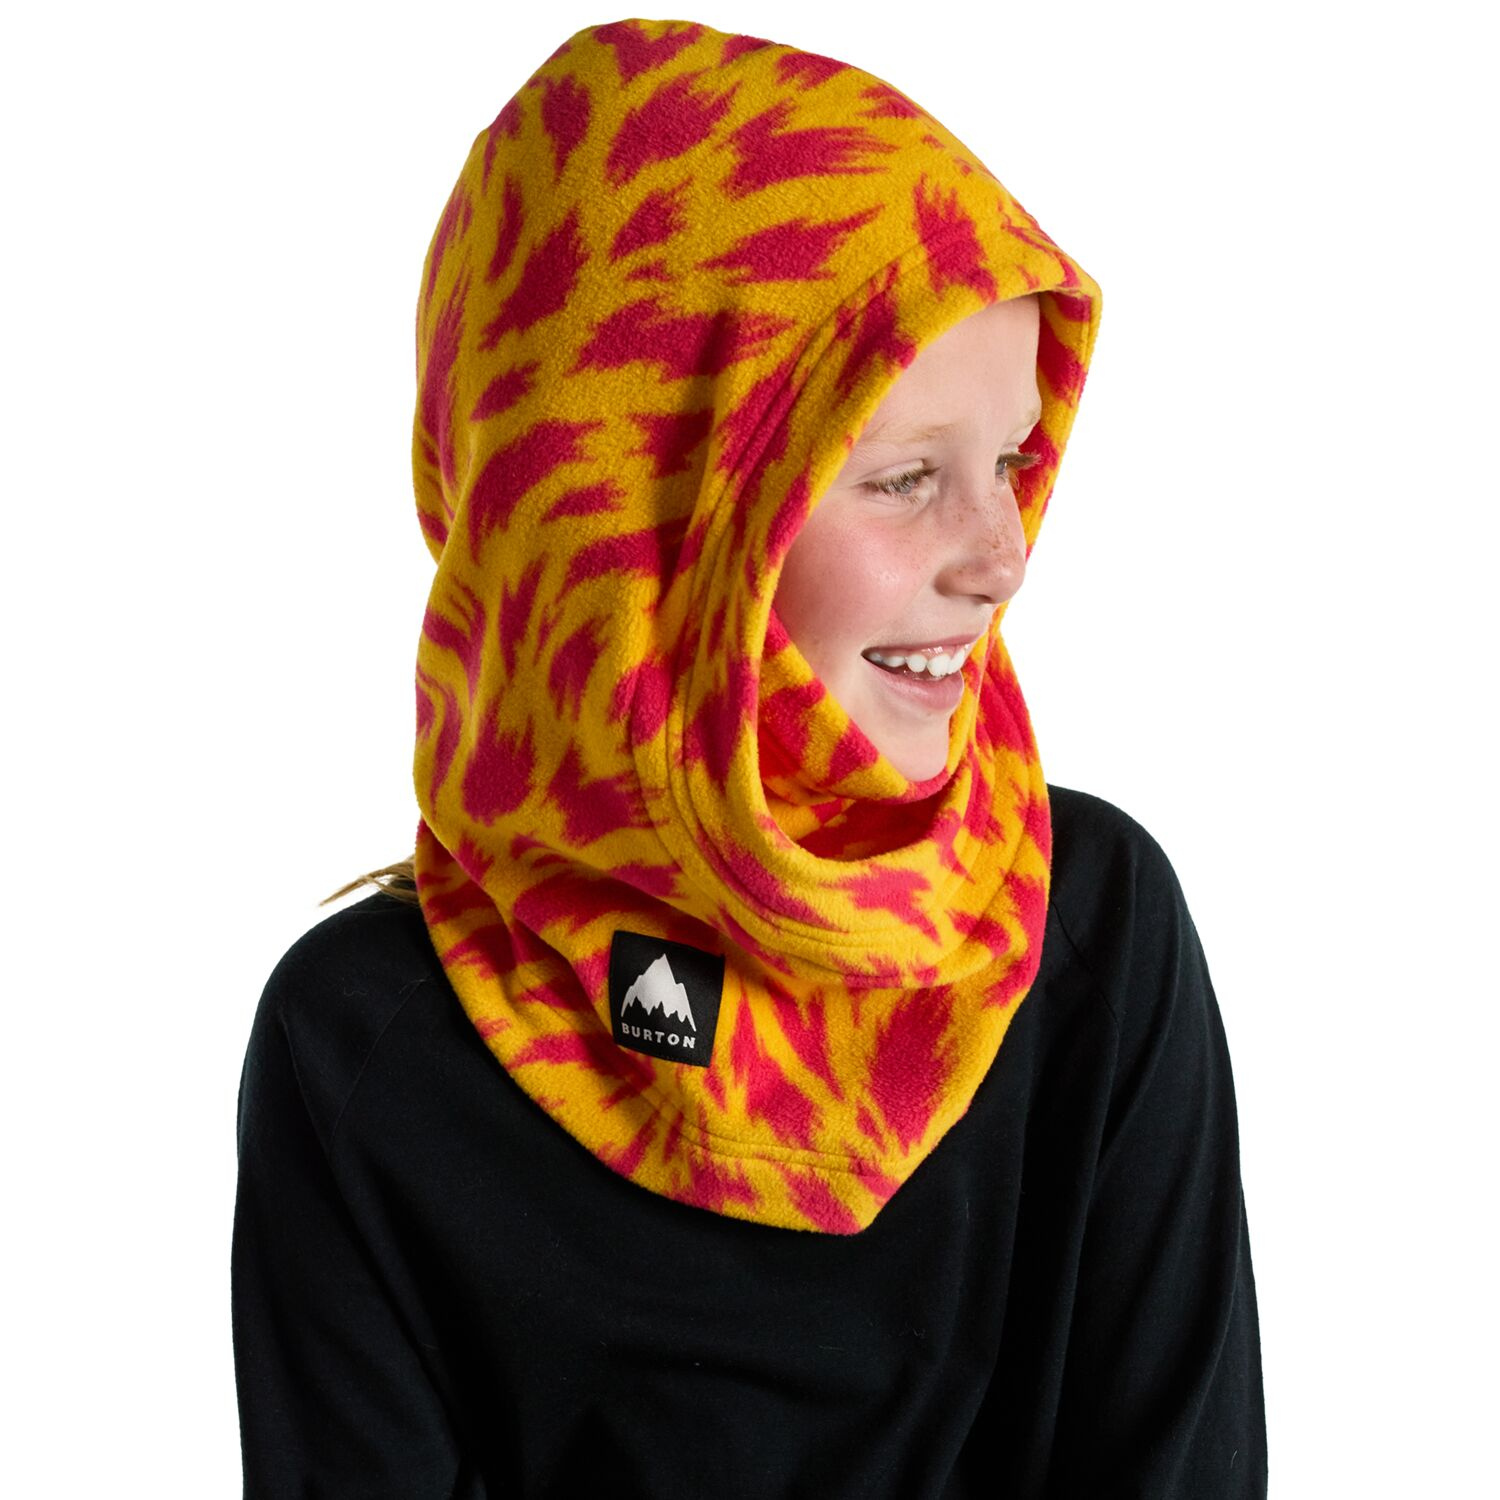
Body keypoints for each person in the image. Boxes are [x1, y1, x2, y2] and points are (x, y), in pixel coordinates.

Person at [231, 17, 1267, 1496]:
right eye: (906, 478)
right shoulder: (370, 1049)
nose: (1003, 557)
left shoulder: (1084, 933)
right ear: (627, 520)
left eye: (1010, 461)